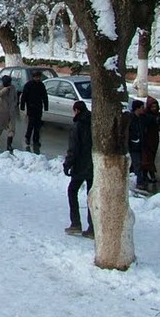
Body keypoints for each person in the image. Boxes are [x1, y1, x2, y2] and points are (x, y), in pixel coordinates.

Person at [63, 100, 94, 238]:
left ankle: (75, 223)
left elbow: (74, 148)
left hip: (81, 165)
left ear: (76, 110)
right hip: (93, 164)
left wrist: (68, 164)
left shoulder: (77, 126)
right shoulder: (94, 122)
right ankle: (93, 227)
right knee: (91, 196)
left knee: (72, 191)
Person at [141, 96, 160, 184]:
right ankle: (150, 175)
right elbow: (149, 120)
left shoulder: (157, 114)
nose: (154, 108)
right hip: (146, 138)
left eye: (155, 107)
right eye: (152, 107)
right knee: (147, 158)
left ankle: (146, 175)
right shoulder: (145, 115)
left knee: (151, 157)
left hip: (154, 138)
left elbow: (159, 123)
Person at [20, 70, 49, 153]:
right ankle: (27, 138)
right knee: (31, 124)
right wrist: (22, 106)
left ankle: (36, 140)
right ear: (33, 77)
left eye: (39, 77)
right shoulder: (28, 85)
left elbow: (45, 96)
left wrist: (46, 106)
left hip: (39, 108)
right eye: (36, 77)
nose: (38, 78)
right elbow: (24, 96)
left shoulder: (41, 85)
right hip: (31, 108)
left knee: (38, 125)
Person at [0, 75, 18, 152]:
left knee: (11, 129)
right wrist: (5, 89)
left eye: (10, 82)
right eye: (8, 82)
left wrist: (14, 104)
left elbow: (15, 97)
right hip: (1, 111)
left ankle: (9, 145)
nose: (9, 84)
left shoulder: (13, 87)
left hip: (10, 112)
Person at [128, 100, 146, 188]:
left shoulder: (141, 118)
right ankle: (139, 182)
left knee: (137, 164)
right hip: (133, 145)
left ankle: (136, 180)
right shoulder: (131, 119)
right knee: (136, 164)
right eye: (142, 107)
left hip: (139, 145)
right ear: (137, 108)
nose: (144, 109)